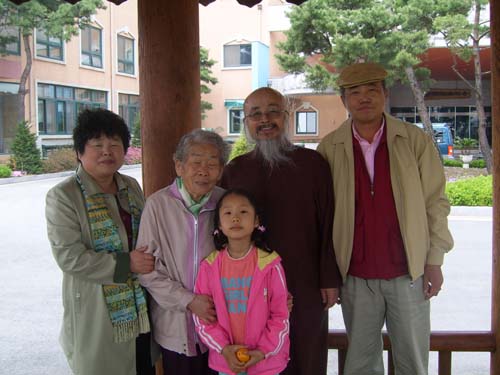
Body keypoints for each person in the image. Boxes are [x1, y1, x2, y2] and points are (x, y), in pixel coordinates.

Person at [316, 62, 454, 375]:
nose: (364, 98)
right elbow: (322, 218)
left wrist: (434, 260)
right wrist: (328, 275)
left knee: (413, 361)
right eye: (355, 92)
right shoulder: (330, 147)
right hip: (355, 277)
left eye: (372, 90)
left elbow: (436, 202)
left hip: (409, 273)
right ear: (344, 100)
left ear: (385, 94)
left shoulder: (414, 140)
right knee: (361, 364)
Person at [220, 87, 341, 375]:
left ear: (286, 117)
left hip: (305, 281)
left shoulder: (313, 165)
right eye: (256, 114)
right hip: (249, 286)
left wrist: (329, 278)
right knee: (257, 356)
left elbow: (329, 223)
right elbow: (221, 233)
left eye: (274, 111)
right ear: (246, 121)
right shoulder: (235, 170)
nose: (265, 120)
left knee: (306, 355)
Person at [45, 108, 156, 375]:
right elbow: (70, 257)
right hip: (96, 310)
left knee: (142, 365)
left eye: (114, 144)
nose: (107, 151)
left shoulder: (130, 186)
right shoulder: (64, 196)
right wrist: (127, 263)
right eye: (97, 145)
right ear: (79, 152)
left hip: (140, 306)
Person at [137, 129, 230, 375]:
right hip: (175, 326)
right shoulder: (157, 205)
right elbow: (147, 271)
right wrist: (188, 300)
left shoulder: (227, 204)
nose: (203, 170)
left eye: (212, 164)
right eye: (196, 162)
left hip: (220, 322)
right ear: (179, 166)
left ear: (221, 171)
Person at [194, 188, 290, 375]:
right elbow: (203, 318)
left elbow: (281, 315)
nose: (235, 218)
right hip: (227, 362)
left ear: (256, 221)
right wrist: (224, 349)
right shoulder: (209, 267)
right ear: (219, 225)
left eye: (243, 212)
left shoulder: (270, 265)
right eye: (228, 213)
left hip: (265, 363)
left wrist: (262, 351)